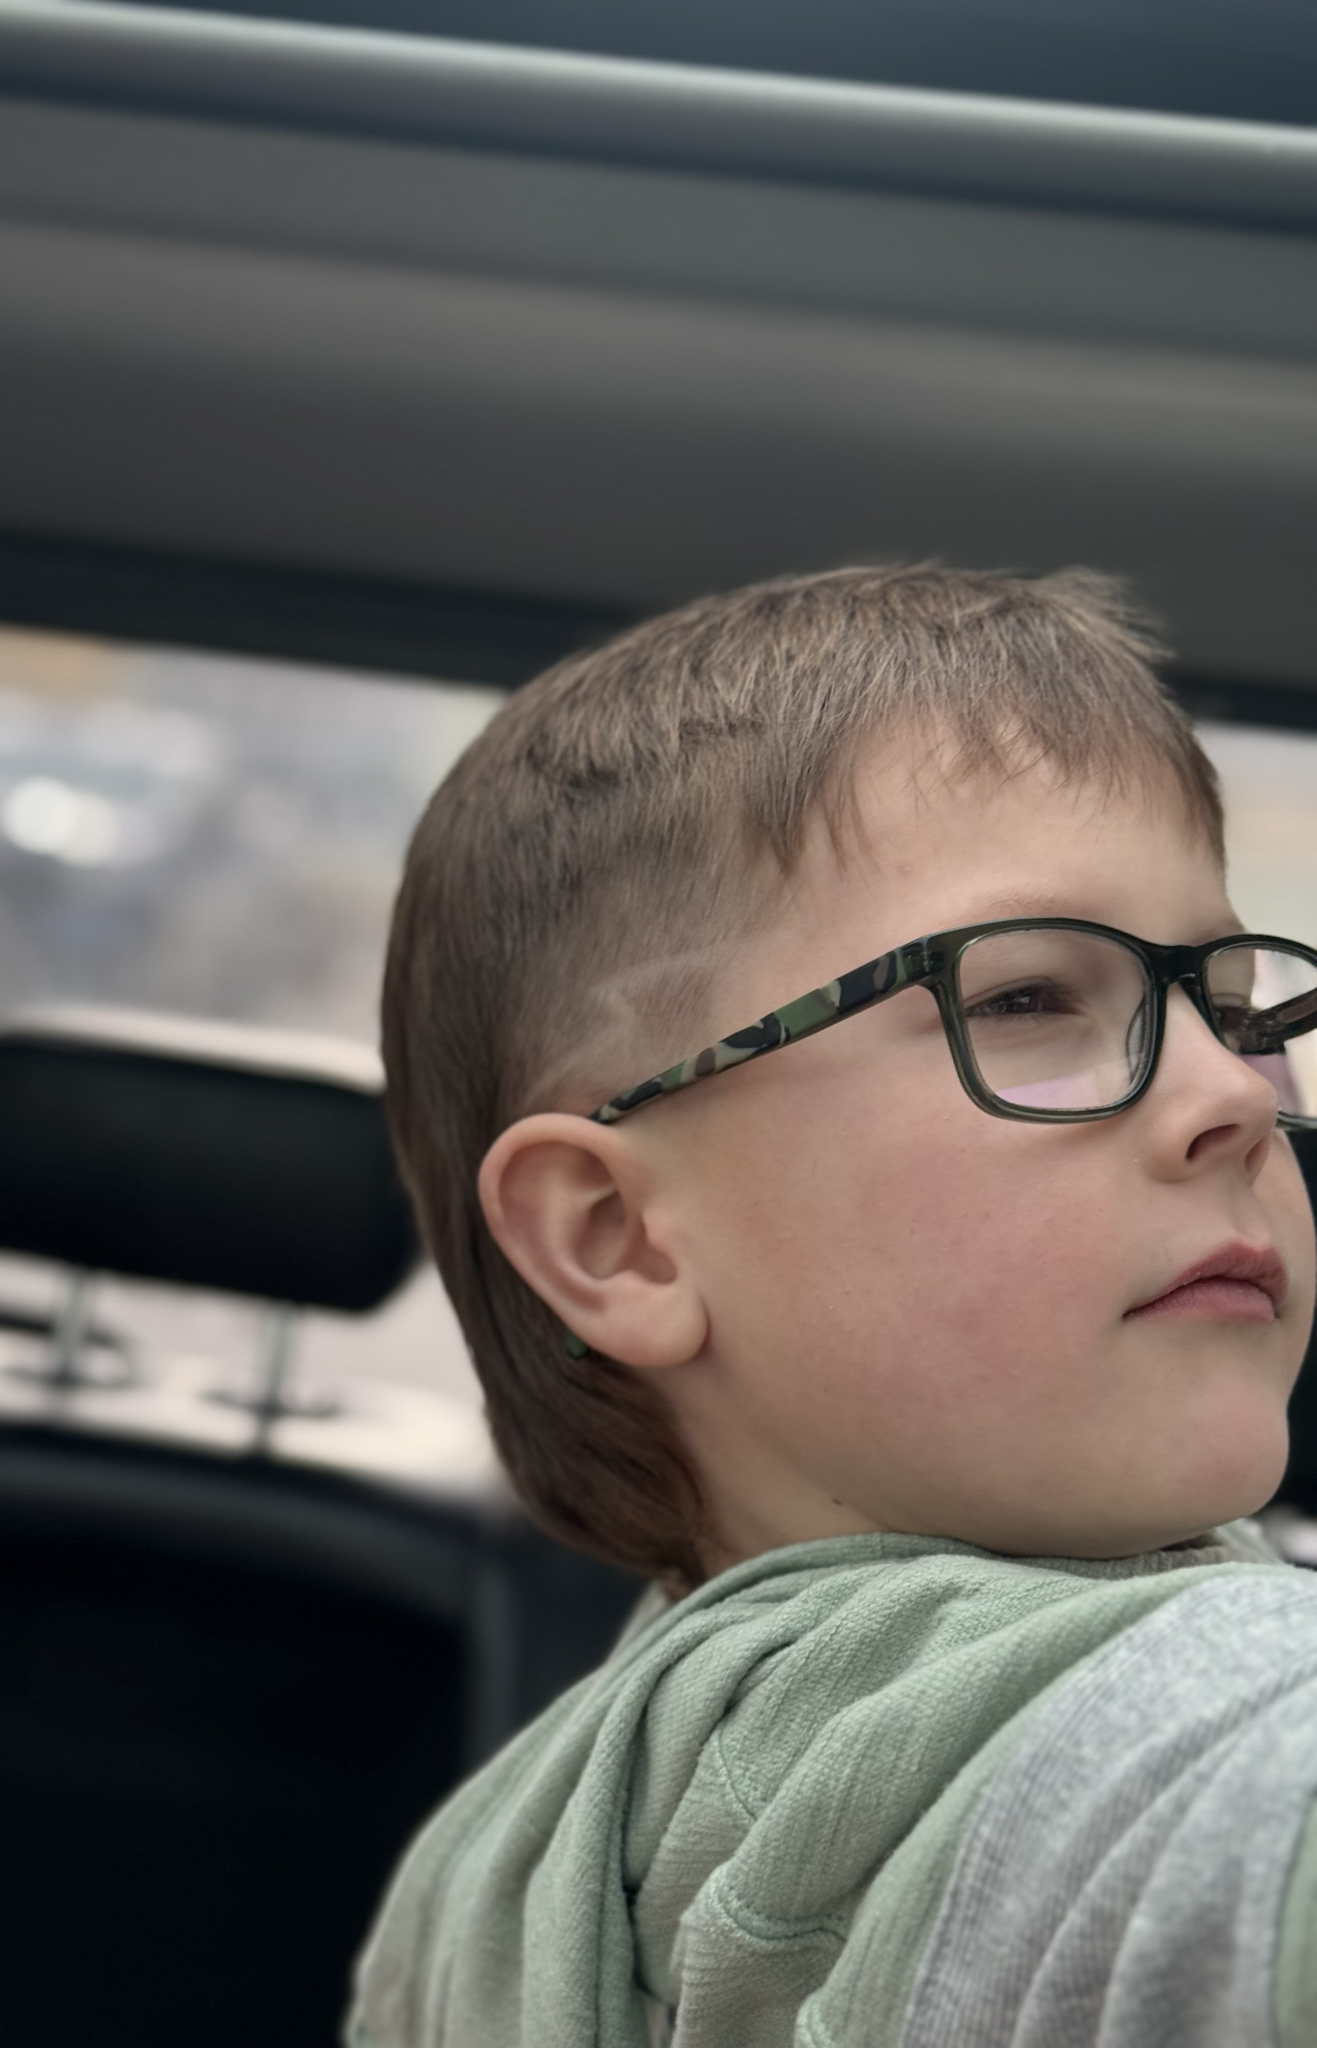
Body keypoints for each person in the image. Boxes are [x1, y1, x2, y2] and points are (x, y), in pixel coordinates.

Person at [351, 566, 1317, 2048]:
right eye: (1023, 999)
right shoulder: (1116, 1742)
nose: (1231, 1094)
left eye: (1236, 1006)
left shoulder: (534, 1846)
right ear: (620, 1240)